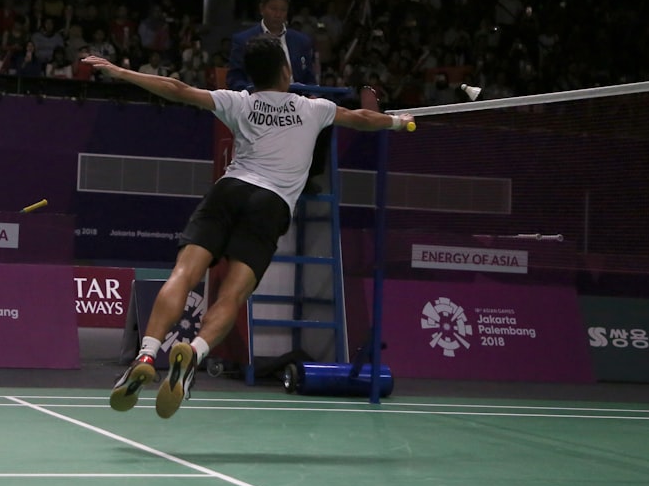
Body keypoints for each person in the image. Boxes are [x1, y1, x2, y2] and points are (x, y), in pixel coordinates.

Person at [83, 35, 414, 419]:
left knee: (183, 273)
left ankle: (146, 354)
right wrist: (396, 122)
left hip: (229, 191)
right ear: (287, 71)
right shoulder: (315, 108)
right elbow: (361, 118)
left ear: (252, 75)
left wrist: (119, 71)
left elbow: (177, 89)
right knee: (232, 295)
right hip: (270, 205)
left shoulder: (238, 100)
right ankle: (193, 353)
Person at [227, 0, 329, 191]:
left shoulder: (302, 41)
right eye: (273, 8)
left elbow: (309, 79)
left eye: (282, 9)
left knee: (326, 116)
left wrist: (313, 96)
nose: (277, 14)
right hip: (259, 102)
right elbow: (234, 78)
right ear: (262, 9)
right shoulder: (243, 40)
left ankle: (308, 176)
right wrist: (251, 92)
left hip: (294, 103)